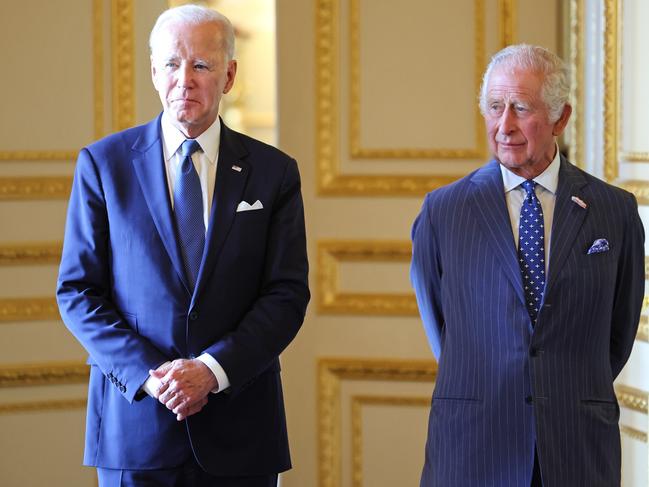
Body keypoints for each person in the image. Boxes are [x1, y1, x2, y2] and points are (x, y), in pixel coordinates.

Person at [56, 5, 309, 486]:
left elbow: (286, 294)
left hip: (241, 432)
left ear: (229, 75)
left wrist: (212, 371)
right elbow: (77, 292)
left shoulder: (274, 172)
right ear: (154, 72)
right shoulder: (104, 165)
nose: (184, 80)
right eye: (172, 64)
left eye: (201, 65)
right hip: (136, 430)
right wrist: (156, 378)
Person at [410, 44, 644, 487]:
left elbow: (617, 333)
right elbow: (442, 329)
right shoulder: (444, 211)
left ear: (561, 117)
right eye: (495, 107)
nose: (504, 125)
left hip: (577, 447)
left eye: (520, 108)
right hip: (473, 446)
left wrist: (558, 385)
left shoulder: (614, 211)